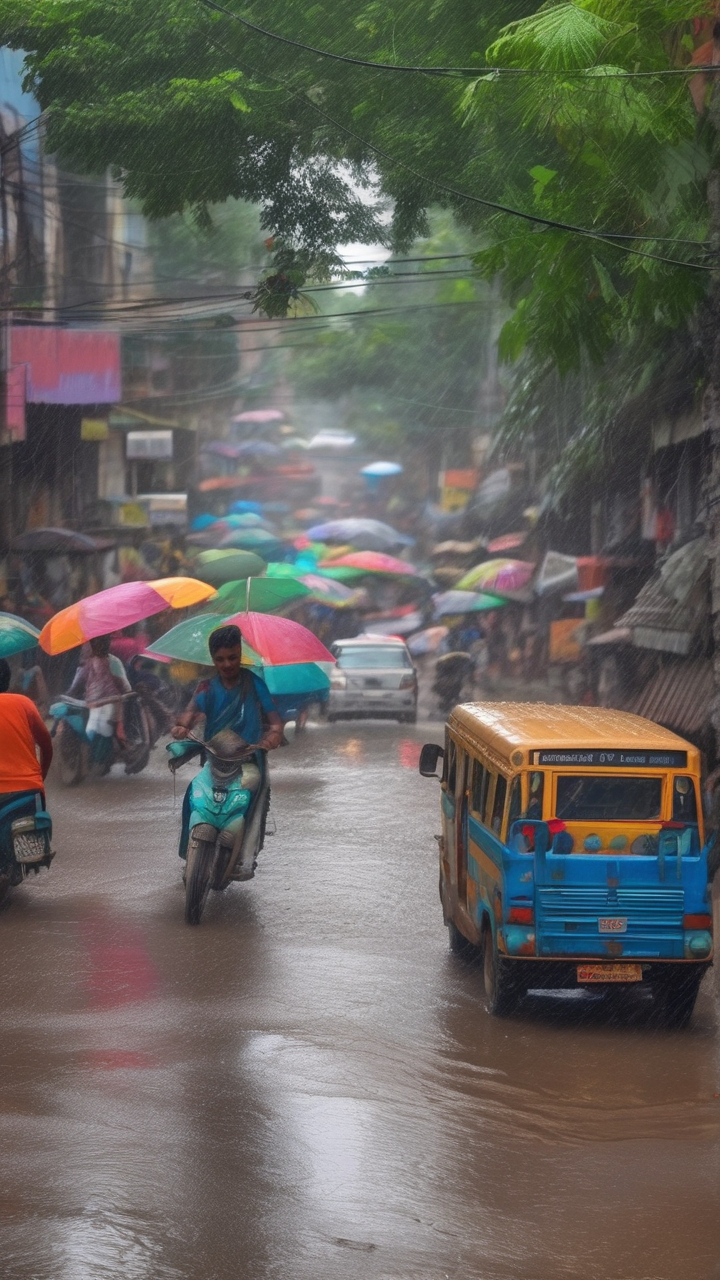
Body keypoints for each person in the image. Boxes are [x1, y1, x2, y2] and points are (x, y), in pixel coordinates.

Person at [171, 625, 283, 861]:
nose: (227, 664)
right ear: (213, 660)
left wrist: (271, 738)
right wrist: (181, 727)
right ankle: (186, 852)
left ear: (240, 653)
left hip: (249, 760)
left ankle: (246, 858)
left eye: (233, 657)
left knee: (254, 802)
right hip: (214, 759)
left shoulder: (255, 684)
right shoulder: (206, 687)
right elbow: (188, 715)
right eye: (220, 659)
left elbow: (275, 724)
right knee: (192, 793)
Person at [0, 658, 53, 801]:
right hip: (29, 791)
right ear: (8, 679)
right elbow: (46, 745)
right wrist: (40, 778)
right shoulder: (24, 703)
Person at [68, 635, 131, 744]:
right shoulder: (107, 662)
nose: (85, 647)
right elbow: (124, 685)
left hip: (98, 704)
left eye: (87, 644)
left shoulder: (90, 665)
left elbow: (74, 687)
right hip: (104, 703)